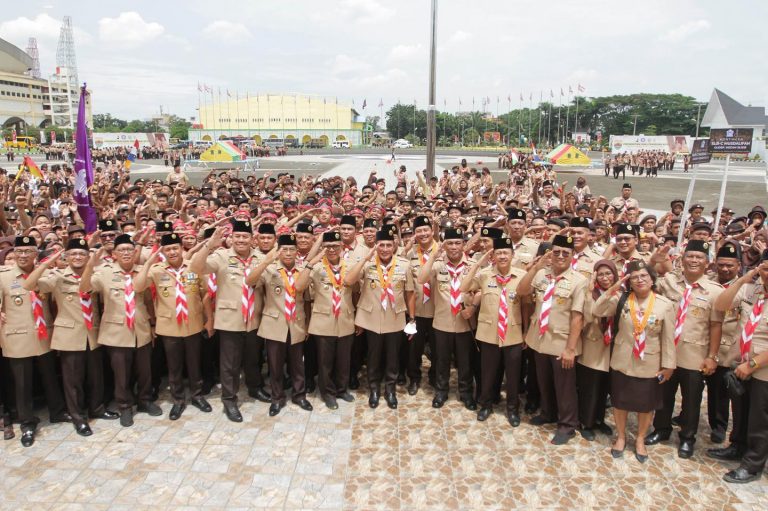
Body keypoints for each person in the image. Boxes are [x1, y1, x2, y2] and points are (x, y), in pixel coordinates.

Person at [21, 238, 118, 437]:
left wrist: (91, 265)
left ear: (88, 256)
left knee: (96, 377)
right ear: (66, 256)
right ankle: (78, 417)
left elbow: (86, 288)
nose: (77, 257)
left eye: (82, 253)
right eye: (73, 253)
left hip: (92, 333)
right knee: (73, 381)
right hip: (69, 334)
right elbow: (29, 285)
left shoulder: (95, 275)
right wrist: (47, 263)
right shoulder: (56, 276)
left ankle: (97, 409)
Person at [645, 240, 724, 458]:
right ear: (682, 258)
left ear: (707, 263)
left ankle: (687, 438)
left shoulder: (714, 291)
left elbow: (716, 325)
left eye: (699, 258)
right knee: (663, 394)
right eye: (690, 256)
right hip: (667, 352)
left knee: (691, 400)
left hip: (694, 354)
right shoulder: (669, 281)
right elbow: (644, 278)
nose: (694, 261)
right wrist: (656, 259)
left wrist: (712, 356)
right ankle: (661, 429)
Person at [593, 260, 676, 461]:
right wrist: (614, 288)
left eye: (644, 276)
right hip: (623, 360)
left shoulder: (665, 305)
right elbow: (597, 310)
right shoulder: (621, 299)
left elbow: (668, 338)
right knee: (620, 402)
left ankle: (640, 438)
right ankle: (621, 437)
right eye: (634, 277)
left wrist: (669, 366)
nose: (639, 280)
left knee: (645, 405)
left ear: (652, 279)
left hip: (649, 363)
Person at [189, 220, 269, 423]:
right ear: (231, 238)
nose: (241, 240)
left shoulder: (260, 257)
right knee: (229, 364)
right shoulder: (221, 256)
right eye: (238, 236)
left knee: (253, 359)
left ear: (252, 239)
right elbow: (196, 269)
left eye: (245, 236)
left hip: (253, 318)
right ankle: (229, 400)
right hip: (230, 319)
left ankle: (254, 388)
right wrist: (209, 245)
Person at [80, 234, 161, 427]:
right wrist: (90, 266)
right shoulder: (104, 272)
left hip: (140, 328)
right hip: (116, 330)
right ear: (114, 254)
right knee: (121, 373)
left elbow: (143, 292)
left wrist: (152, 325)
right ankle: (125, 406)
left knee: (145, 371)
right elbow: (84, 289)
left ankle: (145, 401)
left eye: (129, 250)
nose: (126, 253)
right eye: (121, 250)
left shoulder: (142, 270)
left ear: (135, 253)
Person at [134, 233, 212, 421]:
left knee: (194, 363)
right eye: (167, 249)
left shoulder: (193, 267)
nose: (172, 252)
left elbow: (205, 293)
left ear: (181, 248)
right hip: (169, 325)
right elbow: (138, 287)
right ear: (163, 251)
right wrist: (149, 262)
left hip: (192, 323)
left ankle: (197, 395)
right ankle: (178, 400)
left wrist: (208, 319)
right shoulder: (157, 270)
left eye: (175, 248)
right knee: (174, 366)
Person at [0, 235, 68, 446]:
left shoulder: (46, 274)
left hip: (43, 333)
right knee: (22, 384)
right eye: (18, 252)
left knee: (50, 377)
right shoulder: (3, 276)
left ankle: (57, 412)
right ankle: (27, 423)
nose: (22, 256)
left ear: (35, 254)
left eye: (27, 251)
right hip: (17, 336)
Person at [518, 234, 587, 445]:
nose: (560, 256)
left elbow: (578, 317)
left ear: (572, 255)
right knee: (543, 381)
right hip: (539, 339)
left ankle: (568, 425)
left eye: (565, 253)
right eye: (556, 252)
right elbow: (522, 291)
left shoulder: (579, 281)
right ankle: (547, 412)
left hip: (561, 342)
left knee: (564, 387)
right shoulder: (542, 275)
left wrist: (570, 349)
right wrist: (536, 266)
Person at [345, 226, 415, 410]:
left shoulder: (404, 265)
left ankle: (390, 390)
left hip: (395, 316)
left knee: (393, 356)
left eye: (388, 245)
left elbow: (409, 293)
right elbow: (349, 281)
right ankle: (374, 388)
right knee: (373, 356)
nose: (384, 249)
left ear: (394, 247)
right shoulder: (367, 264)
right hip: (371, 317)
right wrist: (366, 258)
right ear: (375, 246)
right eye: (381, 245)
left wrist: (412, 318)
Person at [713, 252, 768, 483]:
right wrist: (744, 279)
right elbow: (721, 304)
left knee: (760, 419)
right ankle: (737, 446)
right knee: (741, 411)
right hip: (741, 364)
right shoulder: (751, 290)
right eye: (765, 268)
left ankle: (752, 464)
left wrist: (753, 364)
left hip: (762, 369)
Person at [245, 233, 313, 416]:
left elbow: (306, 300)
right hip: (275, 323)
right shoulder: (269, 269)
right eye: (284, 249)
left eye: (292, 249)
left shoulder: (303, 270)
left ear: (297, 251)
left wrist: (306, 324)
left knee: (298, 364)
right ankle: (277, 398)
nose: (288, 253)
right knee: (275, 365)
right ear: (278, 251)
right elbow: (250, 281)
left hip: (296, 323)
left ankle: (299, 395)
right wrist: (267, 261)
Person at [460, 236, 526, 424]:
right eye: (499, 253)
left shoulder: (521, 275)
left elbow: (526, 306)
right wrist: (479, 263)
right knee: (487, 373)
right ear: (493, 255)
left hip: (513, 333)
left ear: (513, 255)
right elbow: (464, 287)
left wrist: (525, 332)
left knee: (513, 376)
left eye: (506, 252)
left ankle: (512, 409)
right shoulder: (485, 274)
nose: (503, 256)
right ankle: (485, 405)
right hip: (489, 333)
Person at [296, 231, 356, 410]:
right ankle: (328, 393)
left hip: (345, 318)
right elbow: (299, 287)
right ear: (323, 248)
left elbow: (357, 291)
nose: (331, 249)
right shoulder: (316, 267)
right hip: (323, 319)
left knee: (344, 359)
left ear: (342, 247)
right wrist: (310, 264)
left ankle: (342, 389)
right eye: (328, 246)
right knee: (325, 361)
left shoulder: (350, 265)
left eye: (335, 246)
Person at [419, 228, 476, 410]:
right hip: (442, 322)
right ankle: (441, 392)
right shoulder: (438, 265)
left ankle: (466, 393)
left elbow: (482, 288)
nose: (453, 247)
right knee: (441, 360)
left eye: (457, 242)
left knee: (465, 361)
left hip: (464, 322)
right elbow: (421, 278)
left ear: (463, 245)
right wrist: (435, 255)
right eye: (449, 243)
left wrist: (473, 307)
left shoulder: (473, 264)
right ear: (445, 245)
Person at [576, 259, 618, 440]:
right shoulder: (590, 293)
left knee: (604, 387)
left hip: (612, 347)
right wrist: (591, 288)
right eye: (600, 274)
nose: (605, 277)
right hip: (592, 344)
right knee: (589, 387)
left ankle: (599, 419)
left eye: (608, 273)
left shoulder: (622, 293)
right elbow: (590, 313)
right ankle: (586, 421)